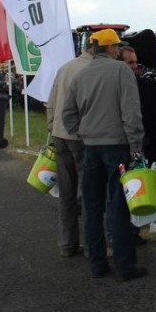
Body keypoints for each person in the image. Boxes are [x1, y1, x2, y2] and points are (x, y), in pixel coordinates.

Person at [62, 29, 146, 282]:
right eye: (117, 47)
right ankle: (124, 267)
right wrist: (136, 146)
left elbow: (67, 114)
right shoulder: (121, 71)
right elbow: (131, 113)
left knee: (92, 207)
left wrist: (83, 133)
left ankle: (98, 265)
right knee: (118, 207)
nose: (118, 50)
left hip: (90, 148)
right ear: (111, 49)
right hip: (117, 147)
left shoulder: (81, 75)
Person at [45, 36, 95, 258]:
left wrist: (52, 126)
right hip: (81, 135)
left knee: (66, 193)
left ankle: (67, 243)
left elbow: (51, 102)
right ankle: (93, 245)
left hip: (60, 133)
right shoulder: (92, 70)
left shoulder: (65, 68)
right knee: (89, 191)